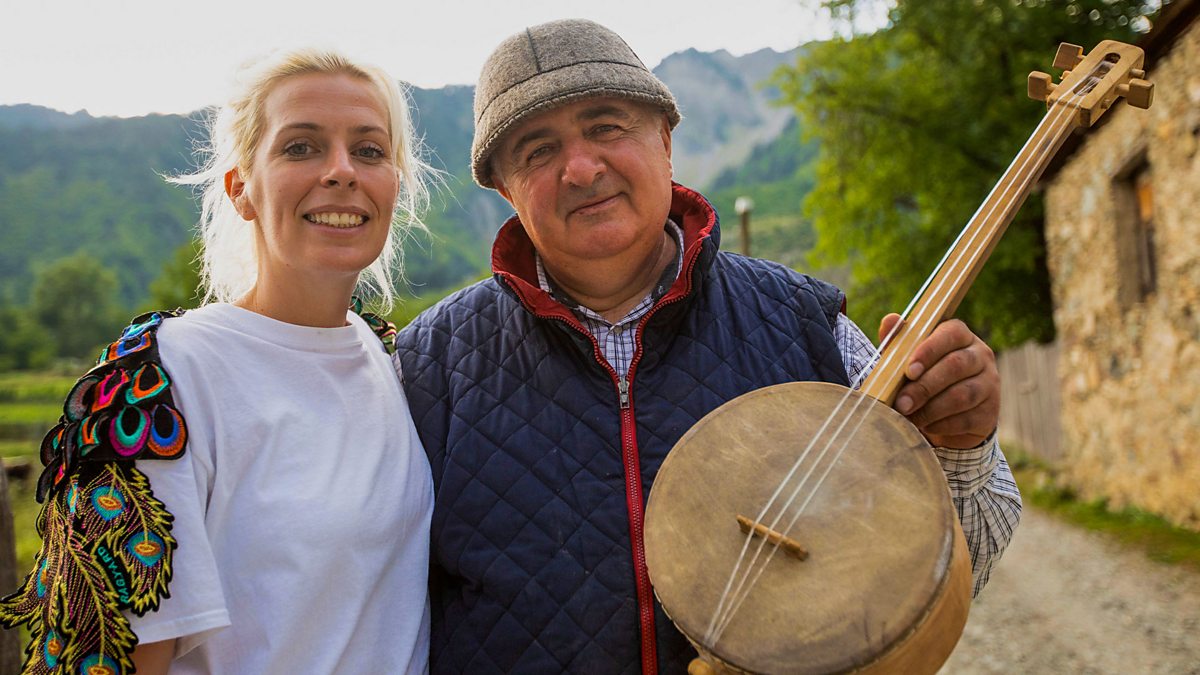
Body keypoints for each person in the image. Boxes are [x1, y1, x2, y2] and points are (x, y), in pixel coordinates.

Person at [395, 18, 1022, 674]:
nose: (580, 168)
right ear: (505, 188)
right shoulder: (428, 367)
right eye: (537, 150)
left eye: (606, 126)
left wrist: (962, 447)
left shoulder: (805, 321)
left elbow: (967, 564)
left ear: (665, 140)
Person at [0, 48, 434, 674]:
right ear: (241, 189)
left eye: (369, 150)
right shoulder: (163, 381)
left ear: (395, 183)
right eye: (301, 147)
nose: (341, 171)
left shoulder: (398, 362)